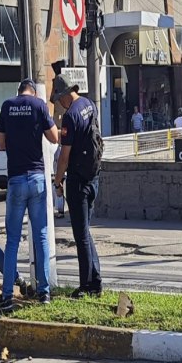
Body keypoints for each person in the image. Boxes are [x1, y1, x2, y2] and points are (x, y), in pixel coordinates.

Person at [0, 78, 59, 310]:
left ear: (19, 90)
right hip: (36, 178)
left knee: (12, 239)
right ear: (33, 91)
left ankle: (6, 294)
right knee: (41, 235)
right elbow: (54, 137)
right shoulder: (39, 105)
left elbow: (1, 143)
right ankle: (44, 293)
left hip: (15, 178)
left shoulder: (7, 106)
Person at [51, 74, 103, 299]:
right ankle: (96, 280)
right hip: (94, 177)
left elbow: (64, 156)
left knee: (81, 236)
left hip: (78, 181)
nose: (59, 105)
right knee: (86, 232)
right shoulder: (89, 105)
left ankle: (86, 286)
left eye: (58, 100)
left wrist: (57, 180)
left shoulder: (71, 116)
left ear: (64, 96)